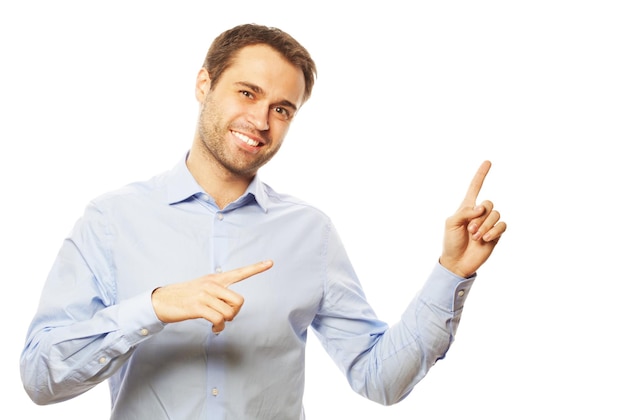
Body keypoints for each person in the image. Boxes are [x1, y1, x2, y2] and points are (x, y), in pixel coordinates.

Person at [20, 23, 506, 419]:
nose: (261, 121)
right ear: (204, 84)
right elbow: (41, 377)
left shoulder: (309, 233)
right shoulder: (112, 219)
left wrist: (451, 273)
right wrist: (155, 307)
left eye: (281, 109)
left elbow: (377, 378)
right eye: (247, 93)